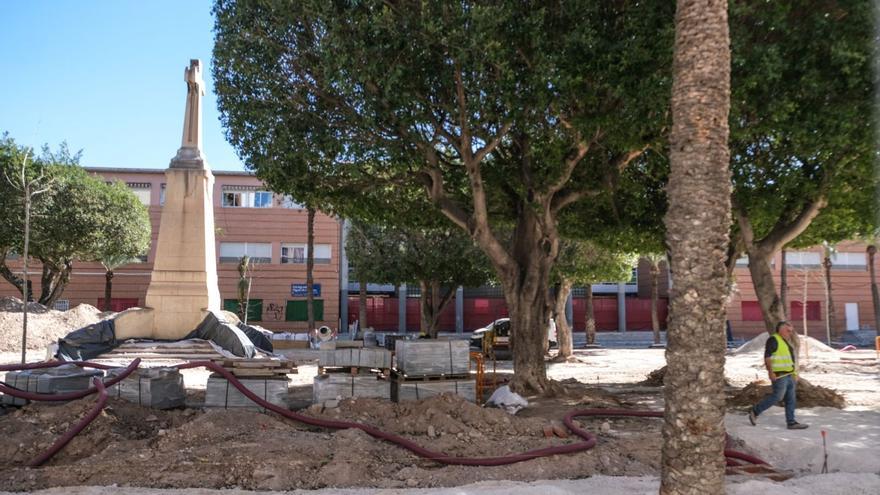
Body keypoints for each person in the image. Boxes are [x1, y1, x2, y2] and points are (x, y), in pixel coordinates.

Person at [748, 321, 809, 429]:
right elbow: (767, 357)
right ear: (781, 330)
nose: (790, 333)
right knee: (778, 396)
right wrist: (770, 372)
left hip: (790, 375)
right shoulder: (773, 340)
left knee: (791, 399)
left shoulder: (785, 342)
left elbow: (791, 360)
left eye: (791, 331)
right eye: (788, 331)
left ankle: (791, 422)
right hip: (779, 375)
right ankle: (755, 411)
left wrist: (795, 374)